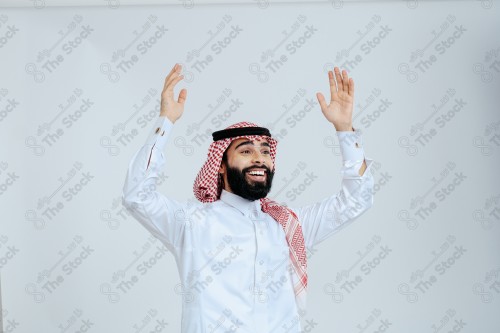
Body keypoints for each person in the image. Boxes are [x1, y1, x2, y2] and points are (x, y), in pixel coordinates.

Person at [122, 63, 375, 333]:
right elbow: (136, 195)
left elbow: (356, 200)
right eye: (245, 151)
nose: (259, 158)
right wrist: (166, 122)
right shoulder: (190, 223)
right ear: (220, 163)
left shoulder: (288, 225)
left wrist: (345, 131)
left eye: (265, 152)